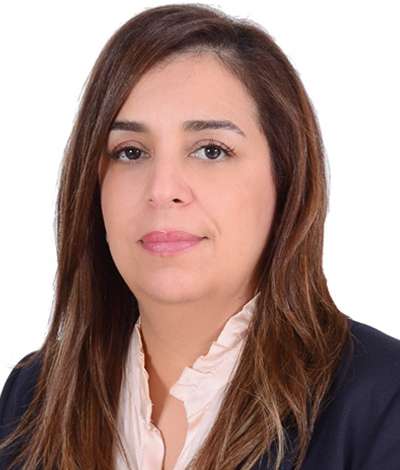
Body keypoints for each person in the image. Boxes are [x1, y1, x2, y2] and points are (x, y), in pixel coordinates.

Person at [1, 3, 399, 470]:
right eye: (130, 152)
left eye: (211, 150)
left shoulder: (383, 401)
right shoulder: (30, 397)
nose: (162, 189)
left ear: (286, 177)